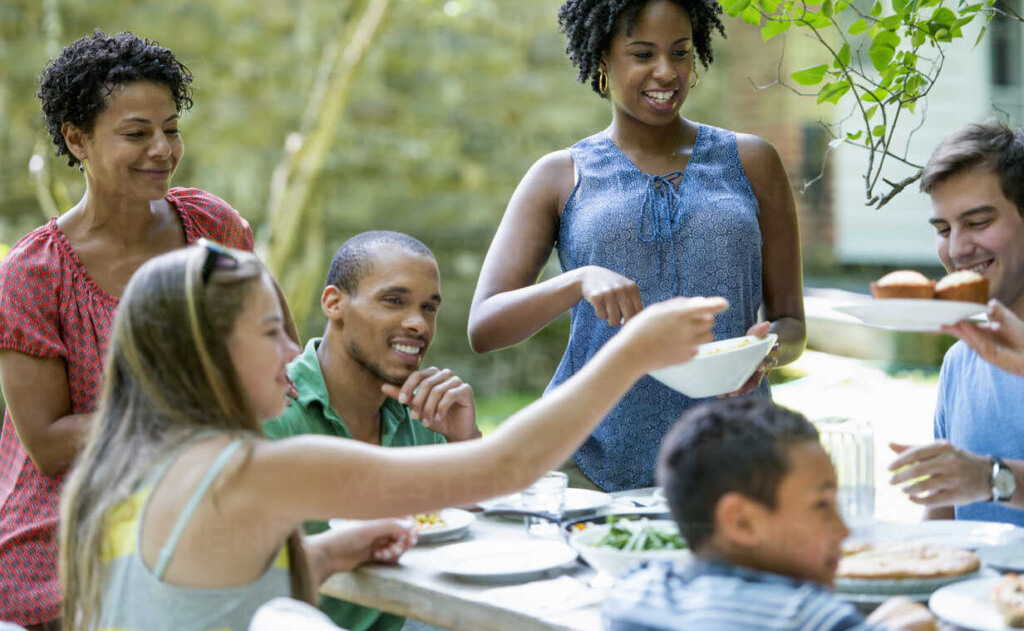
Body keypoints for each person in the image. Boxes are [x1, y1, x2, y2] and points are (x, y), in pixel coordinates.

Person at [60, 242, 728, 631]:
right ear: (201, 350)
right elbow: (509, 463)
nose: (292, 349)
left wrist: (323, 552)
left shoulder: (125, 472)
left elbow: (207, 593)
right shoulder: (250, 469)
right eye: (270, 332)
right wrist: (632, 351)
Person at [466, 0, 805, 492]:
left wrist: (766, 351)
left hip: (735, 461)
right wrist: (577, 280)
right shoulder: (559, 176)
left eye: (681, 52)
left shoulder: (753, 161)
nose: (665, 72)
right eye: (642, 53)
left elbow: (792, 323)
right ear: (603, 56)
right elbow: (484, 327)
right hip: (588, 461)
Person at [0, 31, 256, 630]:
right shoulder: (34, 275)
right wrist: (191, 414)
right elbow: (48, 442)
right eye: (137, 133)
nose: (162, 149)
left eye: (170, 129)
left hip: (198, 503)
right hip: (67, 538)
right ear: (76, 139)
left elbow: (280, 356)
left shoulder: (212, 228)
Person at [263, 231, 479, 631]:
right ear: (334, 303)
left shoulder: (426, 415)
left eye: (429, 308)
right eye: (393, 301)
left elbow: (478, 543)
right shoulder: (270, 411)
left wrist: (464, 441)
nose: (418, 323)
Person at [603, 395, 936, 631]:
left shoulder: (634, 590)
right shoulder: (806, 615)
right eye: (822, 506)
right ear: (741, 521)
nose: (844, 531)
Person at [889, 122, 1024, 526]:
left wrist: (992, 479)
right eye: (944, 230)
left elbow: (976, 481)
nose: (958, 249)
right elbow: (944, 514)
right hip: (977, 590)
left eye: (979, 222)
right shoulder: (960, 360)